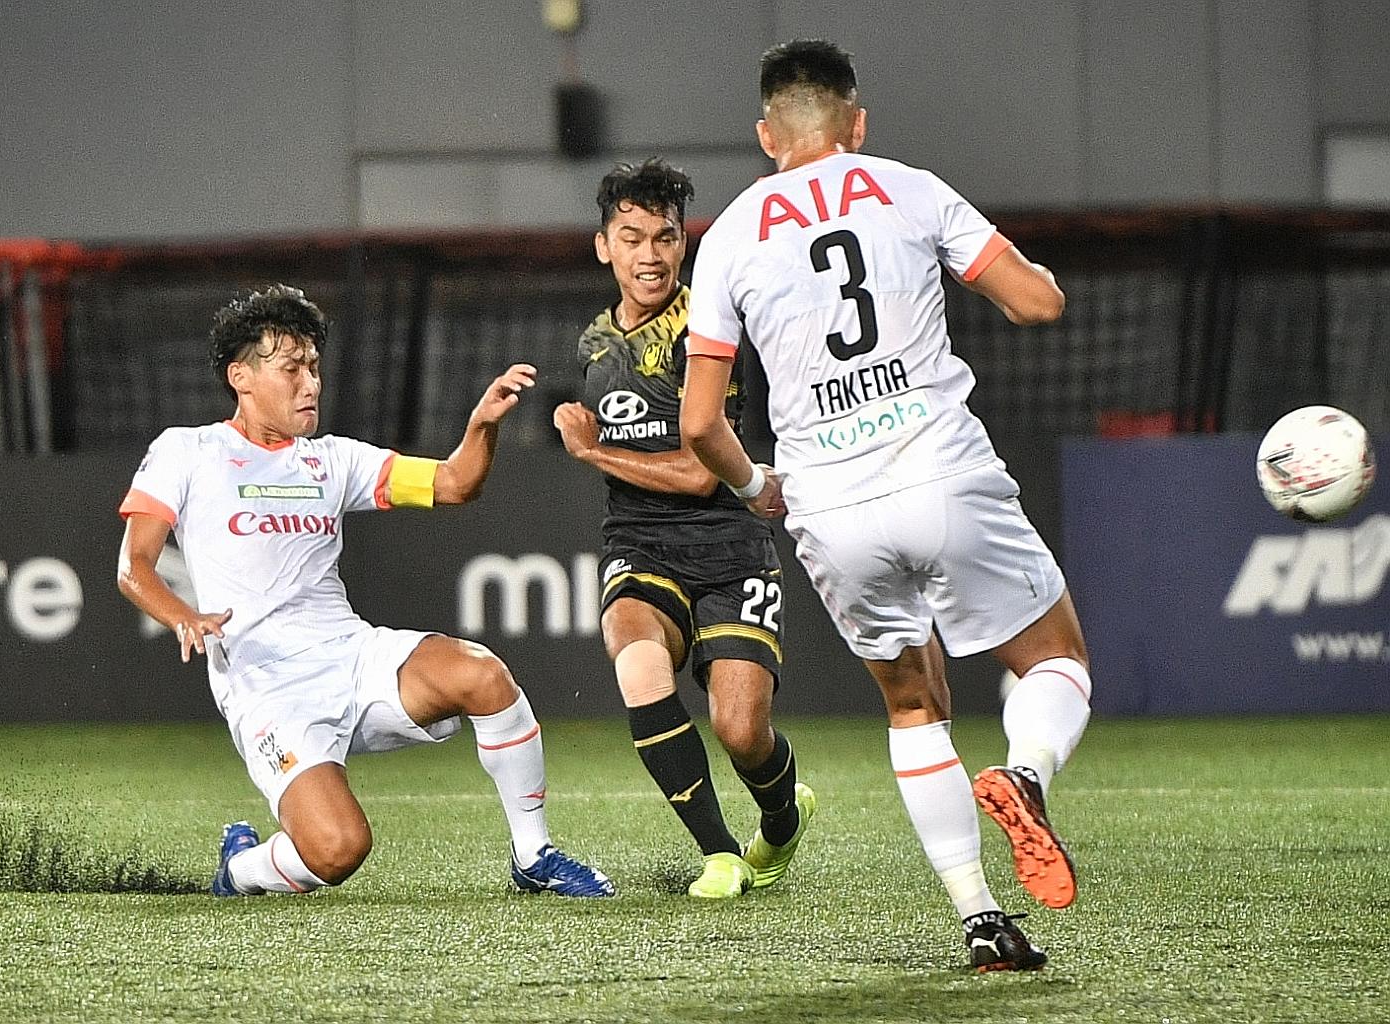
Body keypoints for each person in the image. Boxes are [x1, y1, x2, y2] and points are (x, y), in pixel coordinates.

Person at [680, 40, 1091, 971]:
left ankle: (982, 921)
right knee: (1054, 656)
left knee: (914, 705)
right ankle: (1025, 775)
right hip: (942, 471)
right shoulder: (909, 187)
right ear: (856, 123)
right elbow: (1039, 305)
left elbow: (703, 420)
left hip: (830, 503)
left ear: (765, 134)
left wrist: (756, 487)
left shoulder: (735, 232)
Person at [116, 284, 613, 899]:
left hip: (351, 654)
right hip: (268, 686)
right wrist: (182, 616)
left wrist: (481, 425)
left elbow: (455, 484)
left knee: (483, 675)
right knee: (338, 850)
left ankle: (534, 856)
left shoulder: (332, 460)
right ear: (240, 376)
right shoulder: (187, 451)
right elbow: (134, 566)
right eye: (291, 369)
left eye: (315, 368)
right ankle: (240, 870)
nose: (310, 384)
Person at [552, 160, 815, 899]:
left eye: (664, 237)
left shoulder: (706, 330)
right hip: (638, 543)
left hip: (731, 549)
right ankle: (721, 855)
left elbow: (704, 470)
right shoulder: (594, 343)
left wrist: (590, 449)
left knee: (741, 733)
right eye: (631, 236)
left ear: (683, 243)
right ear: (604, 245)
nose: (650, 254)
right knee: (638, 664)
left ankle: (783, 818)